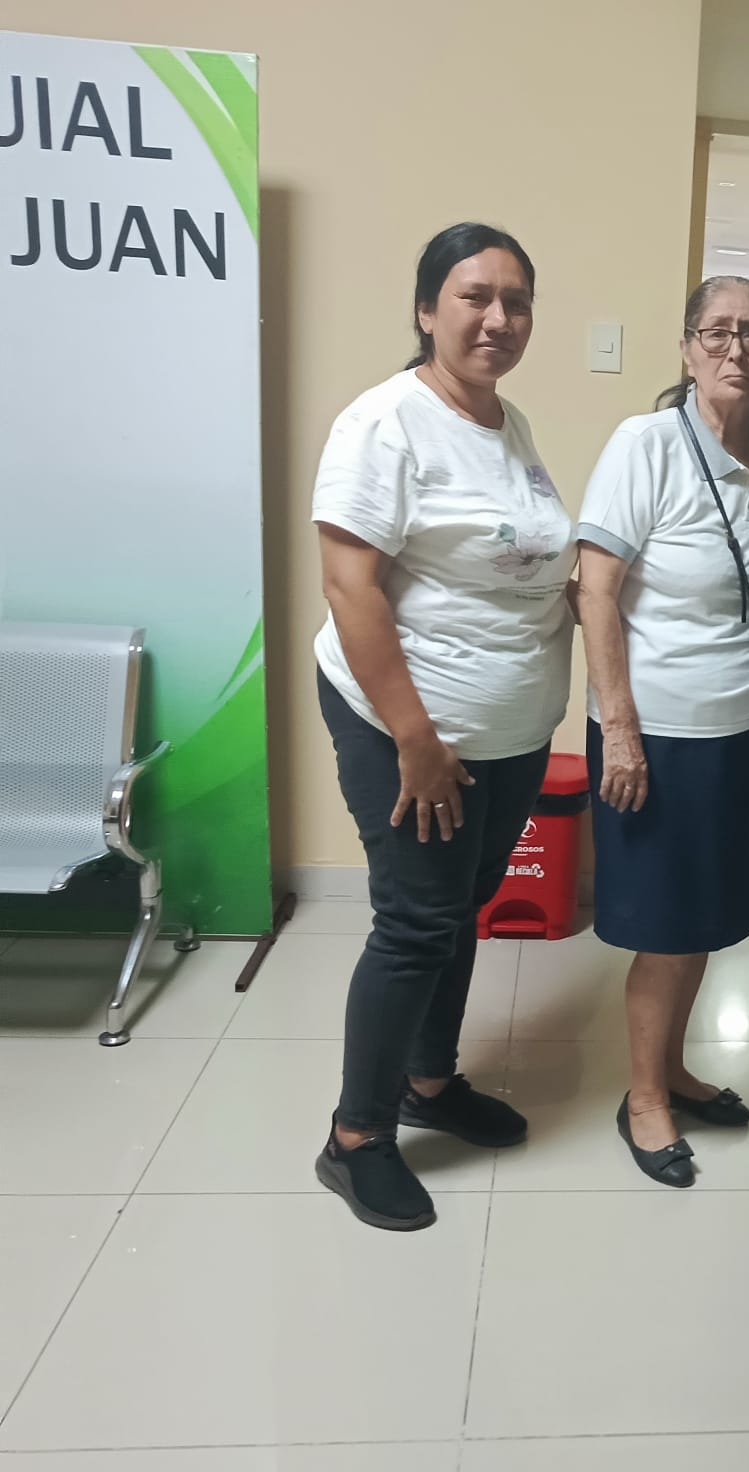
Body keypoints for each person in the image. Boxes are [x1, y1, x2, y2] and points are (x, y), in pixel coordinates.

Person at [311, 222, 575, 1231]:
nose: (498, 318)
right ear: (427, 310)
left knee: (462, 906)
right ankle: (356, 1137)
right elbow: (351, 587)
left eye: (517, 301)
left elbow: (519, 566)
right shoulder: (386, 421)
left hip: (506, 728)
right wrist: (415, 739)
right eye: (475, 296)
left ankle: (429, 1081)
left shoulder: (507, 423)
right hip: (407, 725)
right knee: (417, 922)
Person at [578, 276, 749, 1187]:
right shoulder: (645, 446)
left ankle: (672, 1068)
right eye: (716, 332)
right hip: (658, 732)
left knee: (707, 914)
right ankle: (643, 1098)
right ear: (686, 348)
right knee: (666, 925)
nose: (735, 349)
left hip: (744, 730)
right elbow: (596, 593)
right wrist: (620, 729)